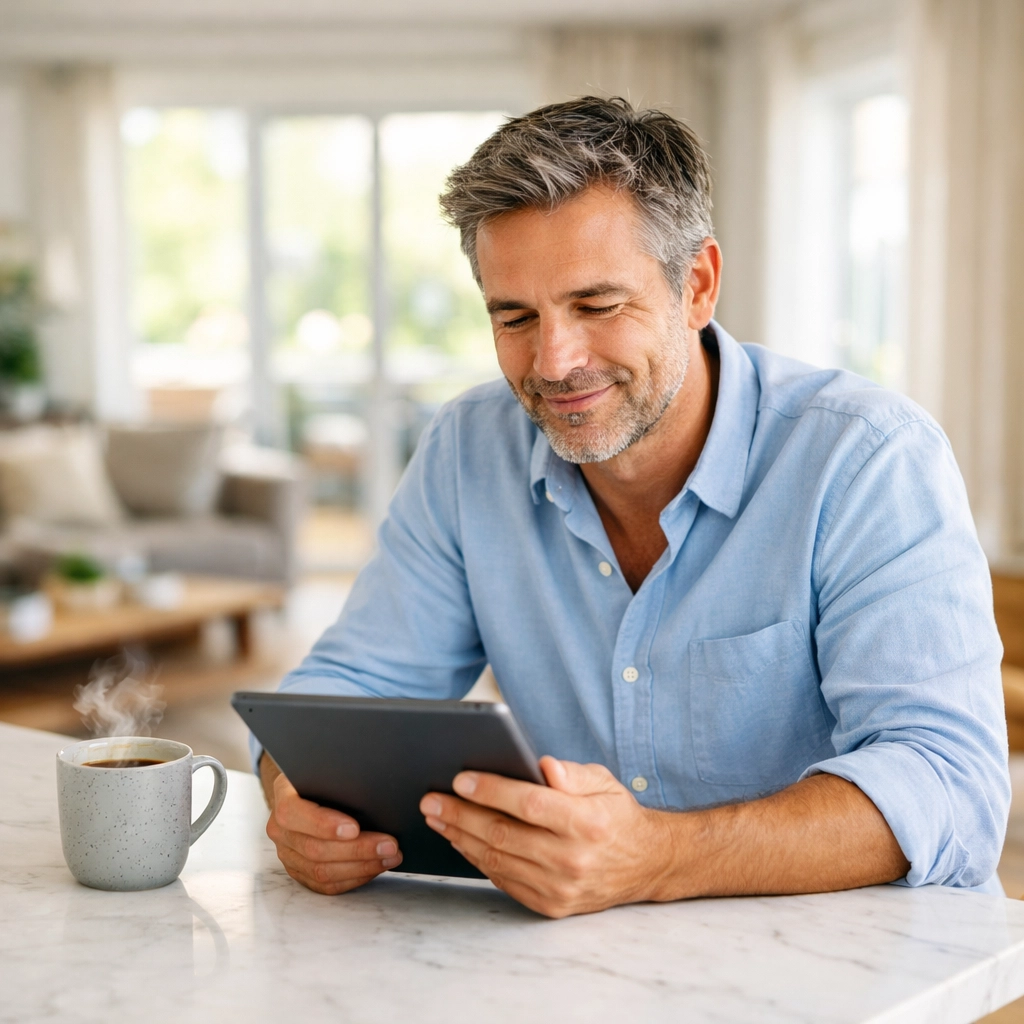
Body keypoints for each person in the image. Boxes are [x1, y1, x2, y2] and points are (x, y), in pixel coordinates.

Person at [253, 96, 1009, 918]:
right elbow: (348, 687)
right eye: (514, 316)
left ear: (698, 286)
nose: (555, 361)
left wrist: (655, 857)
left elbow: (949, 783)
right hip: (587, 966)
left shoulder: (867, 458)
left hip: (849, 960)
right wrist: (294, 795)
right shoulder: (469, 450)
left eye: (598, 306)